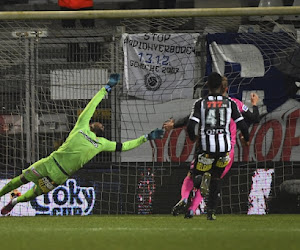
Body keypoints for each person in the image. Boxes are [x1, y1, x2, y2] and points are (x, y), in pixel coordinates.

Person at [0, 73, 164, 216]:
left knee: (34, 193)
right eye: (99, 122)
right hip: (49, 163)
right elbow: (92, 105)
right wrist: (106, 87)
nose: (102, 124)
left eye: (103, 125)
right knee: (20, 179)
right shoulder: (82, 126)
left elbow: (125, 146)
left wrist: (146, 137)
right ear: (93, 124)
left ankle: (15, 202)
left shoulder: (102, 143)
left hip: (59, 175)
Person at [165, 73, 251, 220]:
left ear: (207, 86)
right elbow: (243, 125)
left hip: (206, 149)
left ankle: (190, 191)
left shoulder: (201, 103)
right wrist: (247, 139)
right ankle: (210, 212)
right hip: (225, 150)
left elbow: (191, 125)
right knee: (216, 178)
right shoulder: (231, 103)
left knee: (193, 175)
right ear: (223, 87)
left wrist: (193, 139)